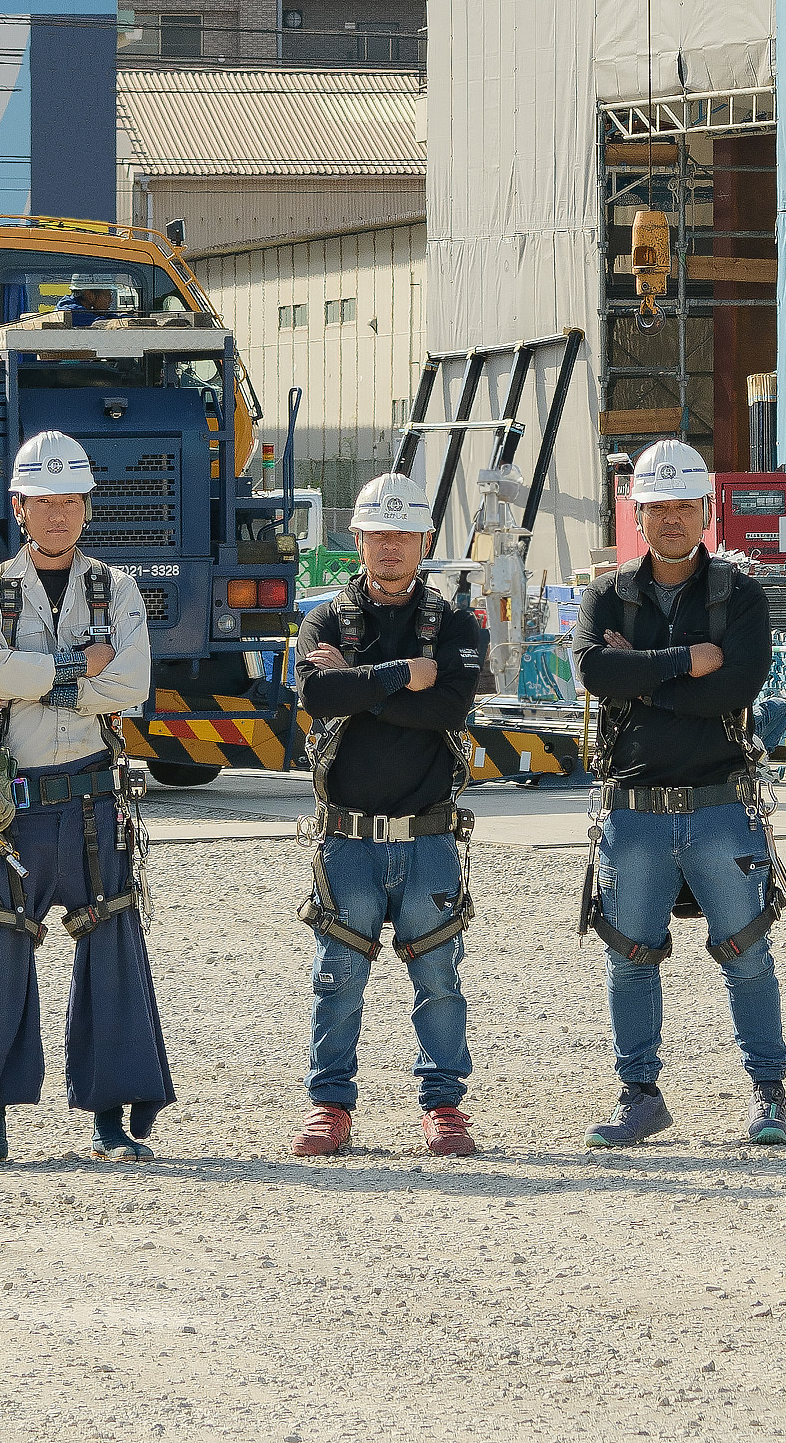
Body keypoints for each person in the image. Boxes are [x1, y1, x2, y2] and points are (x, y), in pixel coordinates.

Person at [0, 432, 172, 1166]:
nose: (58, 514)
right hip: (16, 810)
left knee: (113, 952)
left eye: (70, 500)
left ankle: (111, 1121)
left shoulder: (118, 587)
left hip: (98, 805)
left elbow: (130, 686)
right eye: (44, 502)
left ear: (87, 508)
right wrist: (76, 668)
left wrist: (36, 673)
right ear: (19, 508)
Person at [574, 437, 786, 1150]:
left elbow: (734, 688)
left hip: (721, 807)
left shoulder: (739, 594)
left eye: (682, 506)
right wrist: (681, 665)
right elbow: (594, 676)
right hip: (633, 811)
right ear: (637, 514)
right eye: (656, 507)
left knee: (746, 954)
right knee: (629, 957)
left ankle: (768, 1095)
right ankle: (639, 1095)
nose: (669, 519)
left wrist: (638, 671)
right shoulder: (608, 592)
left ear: (705, 510)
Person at [291, 469, 487, 1157]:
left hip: (428, 834)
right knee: (336, 979)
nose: (391, 547)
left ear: (426, 539)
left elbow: (450, 707)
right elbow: (316, 696)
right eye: (379, 534)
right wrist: (405, 673)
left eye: (404, 533)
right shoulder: (325, 617)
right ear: (358, 539)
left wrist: (359, 680)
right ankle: (329, 1106)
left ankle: (443, 1106)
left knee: (438, 978)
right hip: (346, 835)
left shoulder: (456, 623)